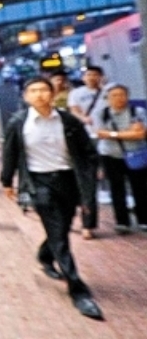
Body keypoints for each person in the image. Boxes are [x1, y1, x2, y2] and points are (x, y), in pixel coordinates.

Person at [1, 77, 103, 320]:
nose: (39, 94)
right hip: (39, 183)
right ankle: (78, 290)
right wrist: (7, 181)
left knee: (63, 227)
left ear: (53, 93)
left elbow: (88, 151)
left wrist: (91, 174)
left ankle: (46, 255)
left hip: (68, 181)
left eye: (43, 90)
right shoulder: (19, 122)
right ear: (26, 96)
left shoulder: (68, 121)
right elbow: (10, 153)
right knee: (59, 233)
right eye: (33, 91)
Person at [93, 84, 147, 234]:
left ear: (127, 96)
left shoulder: (137, 111)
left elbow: (140, 134)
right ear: (108, 98)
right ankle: (122, 222)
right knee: (117, 189)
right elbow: (100, 133)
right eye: (114, 95)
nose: (119, 98)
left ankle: (144, 220)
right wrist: (128, 133)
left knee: (140, 188)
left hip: (136, 155)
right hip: (110, 155)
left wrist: (112, 134)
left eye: (122, 95)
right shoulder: (101, 113)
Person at [67, 65, 109, 240]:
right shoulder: (76, 93)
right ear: (83, 77)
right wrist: (83, 118)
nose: (92, 77)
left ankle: (88, 224)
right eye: (88, 74)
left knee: (91, 183)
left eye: (95, 74)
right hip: (83, 141)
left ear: (101, 77)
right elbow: (74, 110)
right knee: (81, 184)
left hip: (105, 138)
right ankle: (77, 219)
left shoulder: (108, 92)